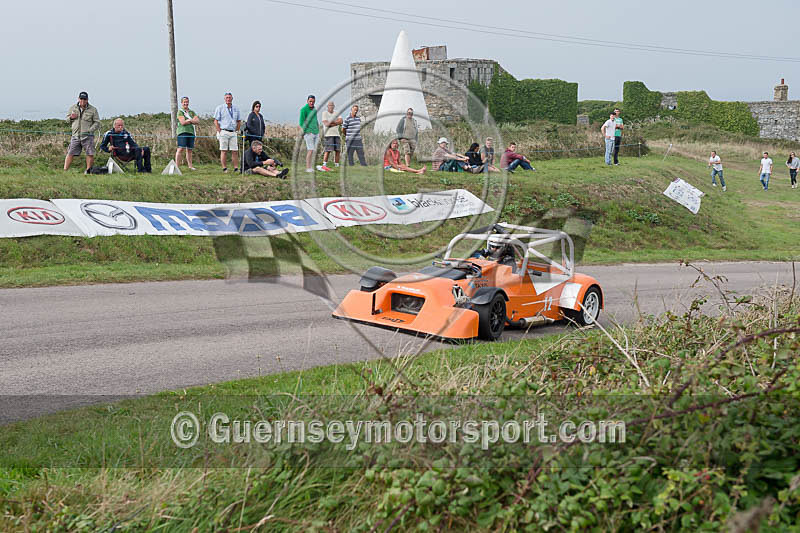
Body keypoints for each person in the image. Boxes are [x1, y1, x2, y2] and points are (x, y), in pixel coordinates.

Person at [64, 91, 101, 172]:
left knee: (90, 154)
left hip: (88, 136)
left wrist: (90, 130)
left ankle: (88, 172)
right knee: (70, 153)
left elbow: (97, 122)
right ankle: (65, 171)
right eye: (81, 99)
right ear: (78, 99)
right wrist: (71, 117)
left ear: (87, 100)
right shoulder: (72, 108)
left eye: (84, 99)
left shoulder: (93, 110)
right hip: (75, 136)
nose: (83, 101)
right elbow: (67, 120)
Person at [213, 92, 241, 173]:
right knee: (224, 150)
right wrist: (219, 131)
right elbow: (216, 121)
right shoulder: (220, 108)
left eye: (229, 97)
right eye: (227, 98)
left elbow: (239, 121)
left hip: (233, 132)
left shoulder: (236, 108)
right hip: (224, 131)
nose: (228, 99)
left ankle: (236, 168)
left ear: (232, 98)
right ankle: (224, 168)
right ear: (225, 99)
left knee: (235, 151)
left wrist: (236, 130)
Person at [175, 96, 199, 170]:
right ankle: (177, 166)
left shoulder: (192, 112)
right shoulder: (180, 112)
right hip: (182, 132)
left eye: (187, 102)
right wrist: (191, 120)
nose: (186, 103)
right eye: (184, 102)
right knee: (181, 148)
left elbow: (197, 121)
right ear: (182, 103)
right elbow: (182, 122)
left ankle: (190, 166)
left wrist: (189, 120)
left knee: (189, 149)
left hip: (191, 132)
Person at [319, 101, 342, 171]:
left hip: (337, 134)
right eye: (329, 105)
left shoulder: (336, 112)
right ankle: (324, 164)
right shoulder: (324, 113)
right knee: (328, 150)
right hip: (328, 134)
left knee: (337, 150)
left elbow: (341, 121)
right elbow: (326, 124)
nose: (331, 107)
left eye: (332, 105)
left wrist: (332, 122)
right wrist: (336, 122)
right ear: (327, 106)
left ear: (334, 106)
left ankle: (337, 164)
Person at [299, 95, 319, 173]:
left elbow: (315, 120)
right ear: (307, 101)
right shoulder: (303, 110)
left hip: (316, 132)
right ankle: (308, 168)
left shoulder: (314, 109)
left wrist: (317, 129)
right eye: (310, 101)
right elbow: (301, 123)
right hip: (309, 133)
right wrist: (307, 131)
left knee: (313, 150)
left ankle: (311, 167)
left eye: (313, 102)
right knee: (310, 150)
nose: (311, 103)